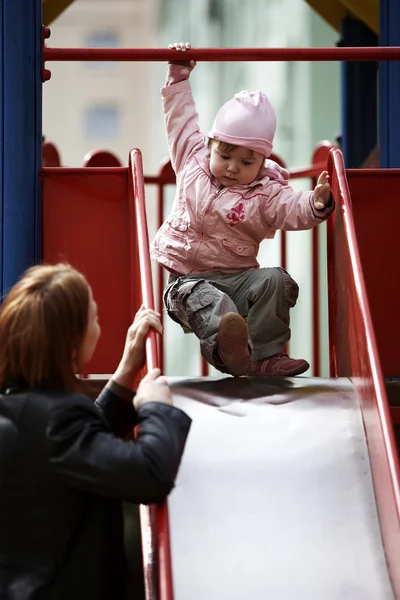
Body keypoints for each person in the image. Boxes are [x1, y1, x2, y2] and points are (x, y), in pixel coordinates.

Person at [0, 263, 191, 599]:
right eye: (94, 318)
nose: (98, 327)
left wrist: (124, 375)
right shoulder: (57, 421)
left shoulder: (20, 407)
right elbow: (147, 473)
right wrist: (155, 407)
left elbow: (73, 451)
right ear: (73, 343)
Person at [151, 42, 334, 378]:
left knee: (274, 279)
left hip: (237, 279)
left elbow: (291, 206)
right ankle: (228, 350)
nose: (233, 167)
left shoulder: (265, 193)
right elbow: (179, 119)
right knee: (208, 300)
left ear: (263, 162)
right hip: (187, 283)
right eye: (225, 155)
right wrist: (178, 72)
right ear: (209, 144)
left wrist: (316, 202)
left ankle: (266, 356)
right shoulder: (191, 161)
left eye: (246, 161)